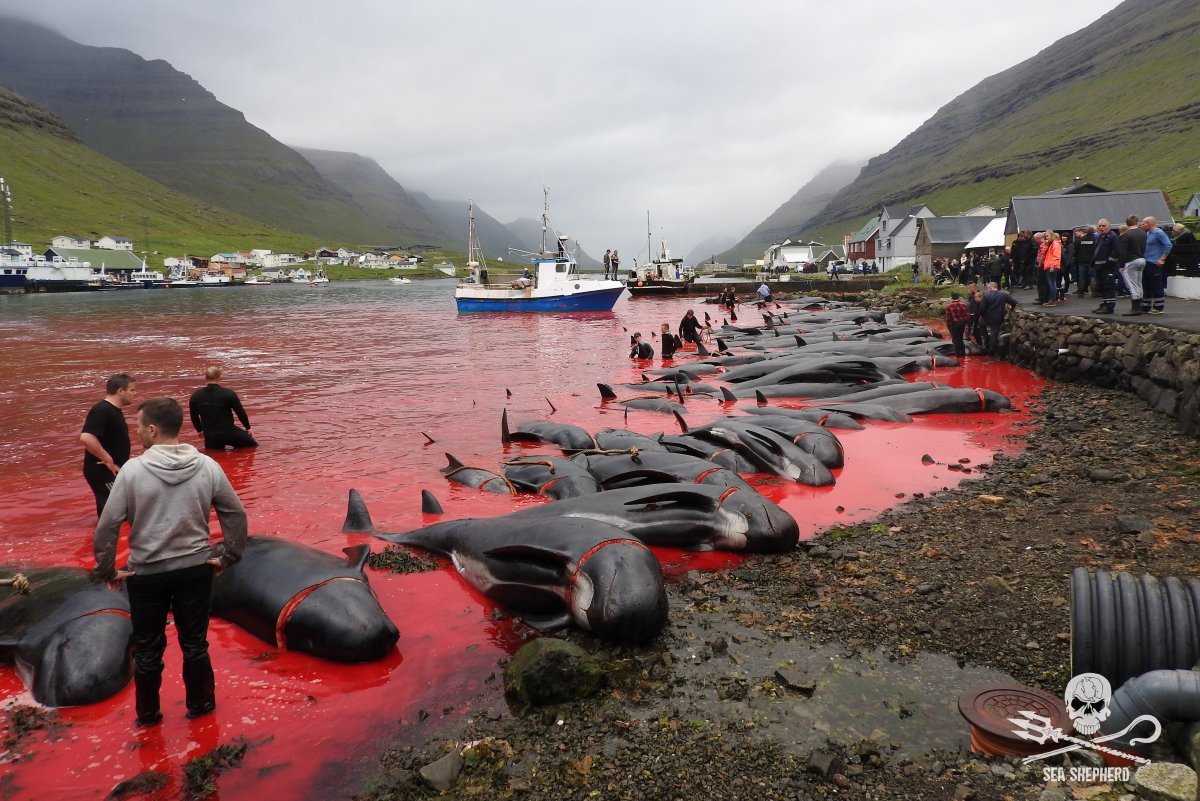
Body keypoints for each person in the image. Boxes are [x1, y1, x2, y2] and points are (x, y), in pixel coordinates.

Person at [93, 397, 247, 727]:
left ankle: (148, 717)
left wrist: (107, 569)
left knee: (147, 649)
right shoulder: (207, 466)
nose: (137, 433)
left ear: (152, 429)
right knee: (196, 644)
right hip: (196, 569)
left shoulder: (132, 470)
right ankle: (202, 707)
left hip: (146, 573)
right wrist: (228, 555)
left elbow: (107, 525)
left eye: (138, 427)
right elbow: (235, 513)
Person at [81, 373, 136, 517]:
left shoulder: (113, 410)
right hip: (103, 471)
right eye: (132, 390)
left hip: (110, 470)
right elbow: (86, 437)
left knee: (109, 512)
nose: (134, 394)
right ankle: (112, 539)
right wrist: (108, 459)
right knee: (119, 513)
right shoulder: (102, 410)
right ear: (120, 391)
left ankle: (99, 538)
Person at [188, 366, 258, 450]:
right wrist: (248, 428)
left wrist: (199, 430)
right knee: (253, 446)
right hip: (229, 433)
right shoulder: (229, 394)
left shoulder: (196, 396)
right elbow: (240, 412)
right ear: (219, 377)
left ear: (205, 377)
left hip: (211, 437)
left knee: (215, 456)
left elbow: (194, 416)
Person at [1141, 216, 1172, 315]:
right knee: (1146, 284)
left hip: (1154, 262)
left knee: (1156, 284)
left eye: (1144, 223)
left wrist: (1162, 258)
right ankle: (1146, 305)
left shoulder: (1159, 233)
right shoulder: (1148, 233)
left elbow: (1168, 245)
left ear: (1150, 224)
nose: (1142, 225)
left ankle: (1159, 307)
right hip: (1146, 262)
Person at [1118, 214, 1147, 315]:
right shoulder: (1143, 233)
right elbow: (1144, 248)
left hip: (1131, 261)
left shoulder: (1126, 235)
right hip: (1141, 259)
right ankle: (1140, 305)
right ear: (1137, 222)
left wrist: (1121, 265)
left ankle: (1135, 308)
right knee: (1138, 283)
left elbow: (1122, 252)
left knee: (1131, 284)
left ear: (1126, 223)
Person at [978, 281, 1018, 355]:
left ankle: (986, 342)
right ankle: (992, 349)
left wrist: (982, 315)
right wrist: (1012, 309)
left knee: (981, 326)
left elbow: (982, 308)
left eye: (988, 288)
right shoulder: (1003, 295)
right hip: (998, 317)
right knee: (994, 333)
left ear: (990, 287)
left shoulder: (986, 296)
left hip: (987, 317)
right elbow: (1014, 302)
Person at [1092, 219, 1121, 314]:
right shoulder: (1098, 237)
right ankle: (1104, 303)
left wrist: (1109, 262)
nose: (1101, 228)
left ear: (1109, 227)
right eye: (1099, 226)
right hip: (1098, 266)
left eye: (1103, 226)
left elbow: (1116, 251)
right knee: (1101, 286)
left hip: (1108, 267)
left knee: (1108, 286)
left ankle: (1109, 306)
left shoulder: (1113, 237)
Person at [944, 291, 970, 358]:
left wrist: (948, 326)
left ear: (952, 297)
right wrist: (965, 323)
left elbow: (947, 318)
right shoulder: (964, 304)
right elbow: (967, 316)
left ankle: (958, 354)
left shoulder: (948, 306)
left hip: (953, 324)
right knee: (960, 338)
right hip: (962, 324)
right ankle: (963, 353)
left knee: (955, 339)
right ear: (959, 297)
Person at [1040, 231, 1062, 306]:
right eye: (1045, 236)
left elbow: (1056, 256)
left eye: (1047, 236)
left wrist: (1052, 265)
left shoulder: (1055, 244)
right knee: (1051, 284)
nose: (1046, 237)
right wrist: (1046, 245)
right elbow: (1043, 253)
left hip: (1051, 266)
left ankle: (1053, 300)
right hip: (1049, 265)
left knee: (1052, 284)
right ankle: (1052, 299)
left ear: (1051, 235)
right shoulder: (1050, 244)